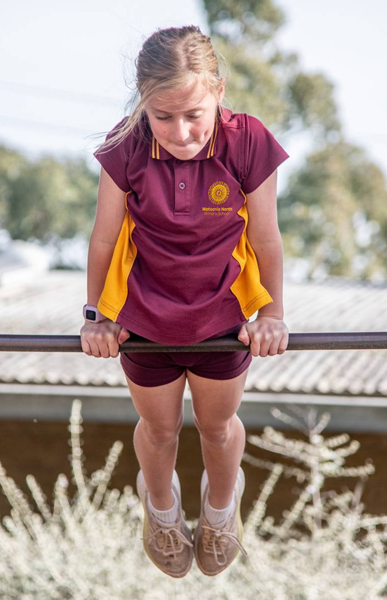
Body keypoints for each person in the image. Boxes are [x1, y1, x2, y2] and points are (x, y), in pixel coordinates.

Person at [80, 25, 289, 578]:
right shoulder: (125, 147)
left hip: (221, 318)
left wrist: (272, 314)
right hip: (145, 319)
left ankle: (221, 511)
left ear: (218, 91)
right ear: (142, 106)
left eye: (194, 113)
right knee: (161, 430)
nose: (181, 131)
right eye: (162, 117)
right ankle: (162, 510)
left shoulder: (246, 141)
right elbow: (103, 239)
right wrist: (96, 316)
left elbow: (266, 237)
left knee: (219, 428)